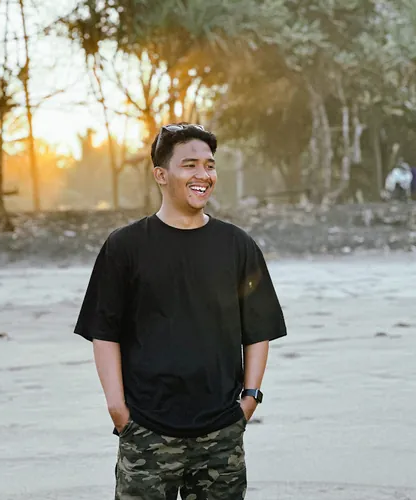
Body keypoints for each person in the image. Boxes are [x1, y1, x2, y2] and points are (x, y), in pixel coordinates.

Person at [74, 123, 287, 499]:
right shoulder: (125, 247)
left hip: (220, 433)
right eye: (190, 165)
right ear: (161, 174)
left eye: (209, 165)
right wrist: (118, 410)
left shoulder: (237, 246)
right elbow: (104, 333)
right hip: (146, 432)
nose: (203, 175)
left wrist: (249, 400)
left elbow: (258, 330)